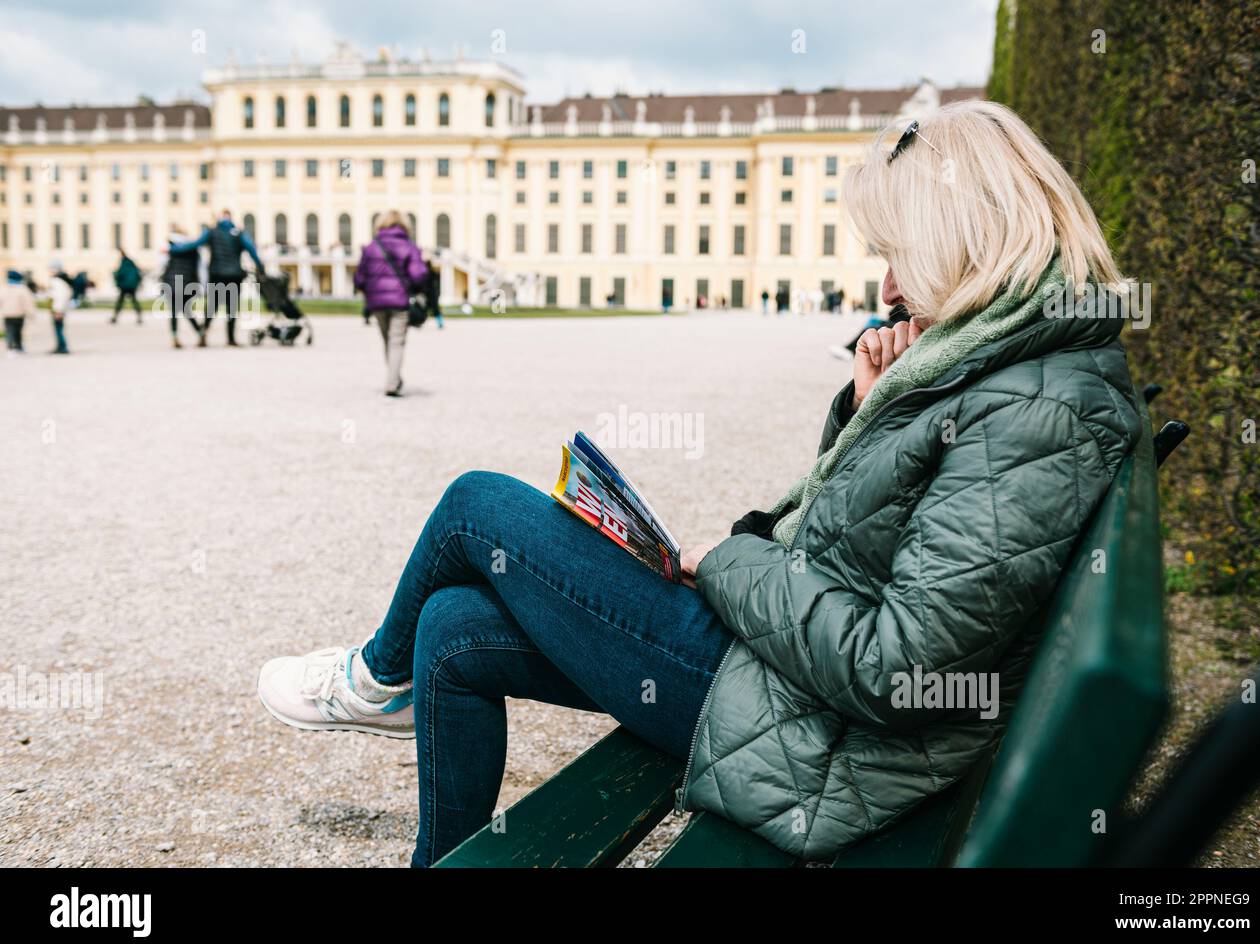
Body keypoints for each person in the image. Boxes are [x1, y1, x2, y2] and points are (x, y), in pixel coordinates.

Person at [257, 99, 1142, 866]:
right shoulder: (1012, 363)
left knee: (476, 504)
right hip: (786, 678)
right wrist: (866, 409)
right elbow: (865, 533)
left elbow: (895, 667)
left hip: (810, 729)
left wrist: (725, 564)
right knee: (451, 630)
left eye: (899, 250)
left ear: (964, 238)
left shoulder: (1038, 407)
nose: (887, 283)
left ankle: (372, 682)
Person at [352, 210, 427, 397]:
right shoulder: (408, 246)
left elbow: (359, 278)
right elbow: (419, 275)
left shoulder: (371, 247)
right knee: (397, 342)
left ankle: (394, 378)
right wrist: (414, 286)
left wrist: (369, 289)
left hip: (377, 302)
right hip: (400, 300)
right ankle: (393, 382)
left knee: (387, 341)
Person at [169, 209, 263, 347]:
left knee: (212, 307)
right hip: (234, 276)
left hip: (217, 274)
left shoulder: (212, 231)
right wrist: (261, 267)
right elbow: (251, 250)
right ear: (231, 218)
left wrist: (175, 249)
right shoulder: (238, 233)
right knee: (231, 308)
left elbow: (195, 244)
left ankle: (203, 335)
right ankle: (230, 339)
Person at [160, 224, 205, 348]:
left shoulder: (169, 248)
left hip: (171, 282)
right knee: (187, 310)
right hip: (187, 282)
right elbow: (200, 267)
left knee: (174, 311)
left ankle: (175, 337)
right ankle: (200, 333)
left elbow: (162, 264)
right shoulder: (193, 248)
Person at [2, 269, 36, 355]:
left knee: (9, 331)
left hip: (7, 314)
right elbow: (28, 302)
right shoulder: (22, 289)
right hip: (19, 314)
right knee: (18, 331)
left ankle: (10, 348)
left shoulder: (4, 288)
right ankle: (18, 347)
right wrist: (31, 313)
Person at [110, 249, 143, 325]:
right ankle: (139, 317)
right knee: (134, 301)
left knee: (120, 301)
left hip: (125, 285)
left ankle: (115, 317)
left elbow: (120, 274)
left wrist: (115, 276)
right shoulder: (132, 263)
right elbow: (138, 273)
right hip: (132, 285)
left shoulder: (124, 263)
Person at [47, 262, 73, 354]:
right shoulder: (63, 281)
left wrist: (58, 310)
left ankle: (62, 347)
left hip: (58, 309)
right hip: (60, 309)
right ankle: (60, 346)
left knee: (58, 329)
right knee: (59, 329)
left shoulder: (57, 281)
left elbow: (59, 297)